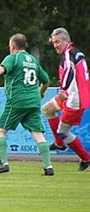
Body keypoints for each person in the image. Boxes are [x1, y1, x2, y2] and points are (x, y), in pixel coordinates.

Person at [0, 33, 54, 176]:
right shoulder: (33, 61)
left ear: (12, 47)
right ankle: (48, 167)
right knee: (38, 134)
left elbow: (1, 68)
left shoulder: (13, 58)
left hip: (17, 101)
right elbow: (46, 80)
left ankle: (4, 163)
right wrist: (41, 93)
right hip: (33, 102)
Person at [41, 27, 90, 171]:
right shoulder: (75, 53)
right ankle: (59, 144)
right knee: (47, 109)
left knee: (63, 132)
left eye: (57, 42)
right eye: (53, 43)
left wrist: (63, 89)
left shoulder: (69, 54)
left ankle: (86, 158)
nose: (55, 45)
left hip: (75, 100)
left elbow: (69, 70)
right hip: (71, 95)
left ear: (65, 40)